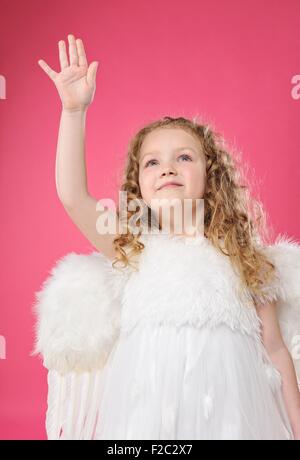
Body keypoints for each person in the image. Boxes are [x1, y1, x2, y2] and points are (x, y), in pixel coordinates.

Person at [33, 34, 300, 440]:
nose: (167, 168)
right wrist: (74, 112)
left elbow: (276, 350)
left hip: (231, 420)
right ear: (138, 185)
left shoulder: (244, 258)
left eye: (185, 157)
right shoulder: (132, 247)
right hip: (146, 421)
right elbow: (73, 196)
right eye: (152, 162)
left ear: (211, 177)